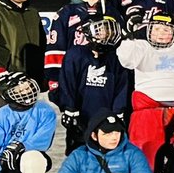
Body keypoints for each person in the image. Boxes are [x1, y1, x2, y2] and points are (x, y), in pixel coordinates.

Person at [117, 14, 174, 173]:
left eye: (166, 29)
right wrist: (129, 38)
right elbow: (126, 60)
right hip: (147, 113)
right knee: (143, 159)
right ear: (149, 30)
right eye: (156, 29)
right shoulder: (141, 47)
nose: (161, 33)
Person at [56, 16, 131, 155]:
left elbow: (122, 86)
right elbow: (68, 82)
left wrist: (118, 111)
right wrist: (69, 108)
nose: (106, 34)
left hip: (106, 116)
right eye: (101, 30)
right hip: (81, 115)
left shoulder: (116, 57)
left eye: (109, 30)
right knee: (78, 153)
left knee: (108, 152)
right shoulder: (76, 53)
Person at [44, 0, 120, 100]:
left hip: (105, 77)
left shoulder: (112, 12)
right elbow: (55, 50)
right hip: (75, 77)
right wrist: (54, 81)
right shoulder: (66, 13)